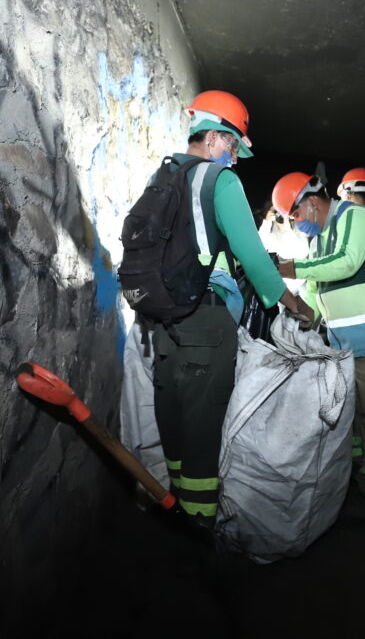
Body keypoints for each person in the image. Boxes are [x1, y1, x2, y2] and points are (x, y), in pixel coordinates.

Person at [148, 91, 311, 530]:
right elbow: (253, 256)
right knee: (204, 428)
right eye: (234, 145)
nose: (235, 158)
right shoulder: (219, 181)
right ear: (217, 137)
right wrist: (291, 302)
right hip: (207, 320)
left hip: (163, 325)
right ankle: (200, 528)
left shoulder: (161, 178)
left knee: (175, 419)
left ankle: (175, 507)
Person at [272, 172, 365, 522]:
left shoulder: (358, 218)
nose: (295, 224)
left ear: (312, 203)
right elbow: (317, 290)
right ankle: (352, 479)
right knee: (353, 417)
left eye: (295, 216)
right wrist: (299, 314)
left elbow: (348, 262)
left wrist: (288, 267)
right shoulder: (319, 240)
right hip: (351, 348)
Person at [257, 203, 310, 294]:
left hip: (302, 283)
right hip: (284, 289)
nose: (280, 215)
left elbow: (302, 252)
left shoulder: (297, 225)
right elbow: (260, 246)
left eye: (281, 211)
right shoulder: (272, 231)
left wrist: (286, 231)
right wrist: (266, 222)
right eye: (276, 212)